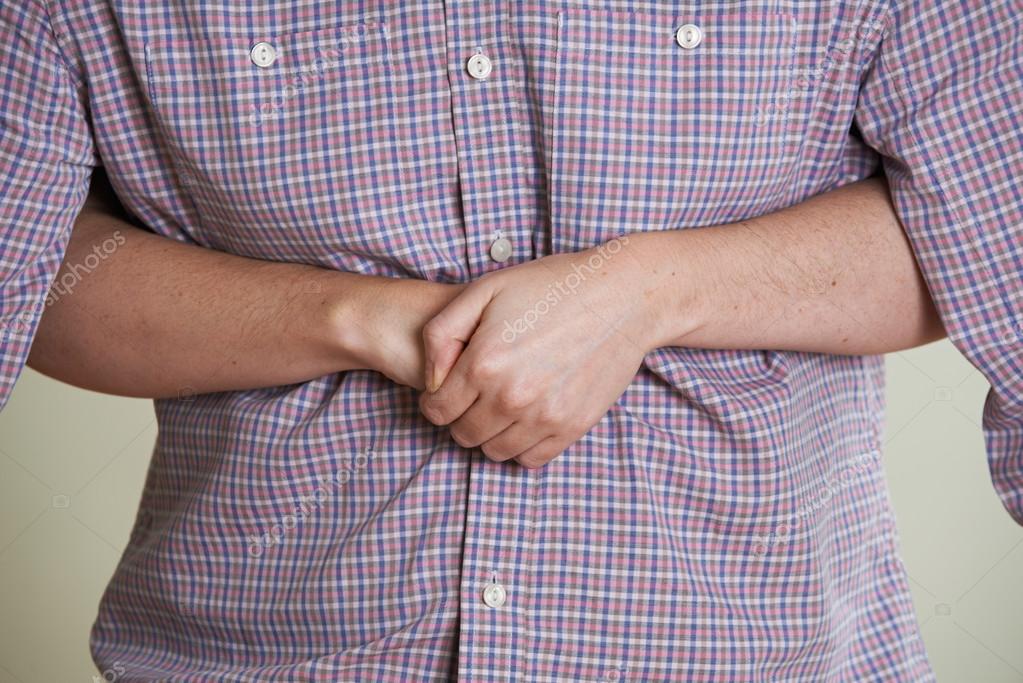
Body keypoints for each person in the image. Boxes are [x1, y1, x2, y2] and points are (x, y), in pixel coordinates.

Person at [1, 1, 1019, 680]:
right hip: (261, 651)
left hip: (762, 649)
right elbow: (37, 265)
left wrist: (652, 291)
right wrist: (356, 317)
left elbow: (988, 222)